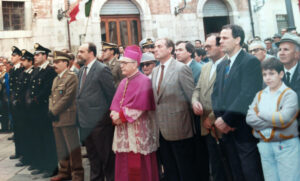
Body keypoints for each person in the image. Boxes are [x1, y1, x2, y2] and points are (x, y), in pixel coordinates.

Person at [212, 24, 264, 181]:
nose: (220, 41)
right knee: (234, 174)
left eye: (225, 38)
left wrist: (227, 119)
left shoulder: (250, 62)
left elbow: (247, 95)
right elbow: (216, 95)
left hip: (244, 131)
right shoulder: (222, 65)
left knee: (250, 173)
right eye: (220, 38)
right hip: (226, 133)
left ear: (237, 40)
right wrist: (219, 119)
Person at [110, 45, 159, 181]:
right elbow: (115, 103)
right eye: (121, 63)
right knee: (124, 164)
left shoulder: (144, 81)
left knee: (138, 166)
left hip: (137, 130)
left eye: (125, 63)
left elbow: (140, 107)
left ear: (135, 64)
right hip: (122, 130)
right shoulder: (123, 82)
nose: (121, 66)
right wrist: (114, 114)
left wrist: (120, 116)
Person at [246, 58, 300, 181]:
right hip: (265, 144)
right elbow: (249, 118)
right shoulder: (260, 94)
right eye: (264, 74)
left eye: (271, 73)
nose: (268, 78)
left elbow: (283, 119)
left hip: (286, 145)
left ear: (281, 74)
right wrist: (272, 119)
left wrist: (261, 114)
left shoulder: (289, 94)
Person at [152, 38, 197, 181]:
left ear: (170, 49)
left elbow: (192, 97)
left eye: (159, 46)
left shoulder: (181, 68)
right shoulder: (155, 71)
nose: (155, 49)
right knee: (170, 170)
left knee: (185, 170)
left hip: (180, 128)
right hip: (160, 130)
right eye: (154, 47)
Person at [76, 42, 115, 181]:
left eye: (81, 51)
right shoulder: (81, 70)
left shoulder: (101, 69)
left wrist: (106, 120)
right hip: (85, 123)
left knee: (107, 158)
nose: (78, 54)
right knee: (93, 158)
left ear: (91, 53)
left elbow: (111, 96)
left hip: (100, 125)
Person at [192, 33, 227, 181]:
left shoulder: (228, 65)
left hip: (222, 123)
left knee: (226, 165)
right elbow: (198, 89)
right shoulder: (205, 67)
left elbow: (227, 95)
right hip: (205, 125)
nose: (205, 49)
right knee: (215, 164)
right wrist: (194, 101)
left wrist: (211, 118)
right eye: (205, 46)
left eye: (209, 46)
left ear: (220, 47)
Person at [49, 51, 84, 181]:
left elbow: (67, 98)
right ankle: (64, 171)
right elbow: (52, 97)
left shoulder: (72, 77)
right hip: (57, 118)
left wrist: (54, 111)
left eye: (58, 62)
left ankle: (77, 174)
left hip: (67, 117)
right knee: (61, 148)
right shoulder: (56, 79)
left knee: (72, 148)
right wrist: (51, 110)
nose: (55, 65)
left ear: (66, 63)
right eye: (54, 62)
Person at [29, 43, 58, 178]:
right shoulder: (36, 70)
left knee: (47, 139)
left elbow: (47, 89)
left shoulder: (50, 71)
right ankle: (41, 165)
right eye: (35, 54)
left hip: (44, 109)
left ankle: (50, 167)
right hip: (35, 110)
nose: (35, 57)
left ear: (45, 56)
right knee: (38, 137)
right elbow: (31, 88)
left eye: (38, 54)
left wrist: (35, 99)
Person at [13, 49, 35, 167]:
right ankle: (25, 156)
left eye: (24, 60)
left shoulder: (32, 73)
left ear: (30, 61)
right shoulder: (23, 72)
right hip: (20, 109)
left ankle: (29, 157)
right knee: (23, 133)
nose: (22, 62)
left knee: (29, 134)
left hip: (27, 109)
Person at [277, 33, 300, 132]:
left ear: (297, 54)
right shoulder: (273, 74)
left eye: (286, 49)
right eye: (280, 50)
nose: (281, 53)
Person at [9, 46, 24, 161]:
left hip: (20, 104)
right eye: (12, 55)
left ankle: (23, 153)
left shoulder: (22, 69)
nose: (12, 57)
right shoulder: (13, 69)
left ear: (20, 56)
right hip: (13, 103)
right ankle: (18, 151)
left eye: (14, 55)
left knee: (22, 128)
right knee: (16, 129)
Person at [0, 62, 10, 133]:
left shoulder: (6, 74)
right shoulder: (1, 75)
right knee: (2, 113)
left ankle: (6, 127)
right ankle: (4, 127)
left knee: (5, 113)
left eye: (2, 65)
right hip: (1, 97)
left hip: (5, 97)